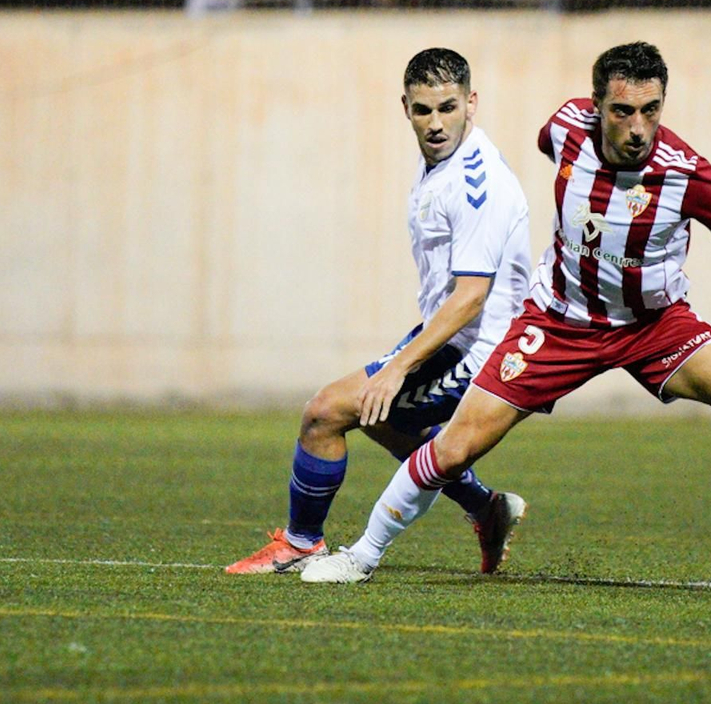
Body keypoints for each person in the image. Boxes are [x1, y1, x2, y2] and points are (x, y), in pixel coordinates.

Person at [300, 41, 711, 591]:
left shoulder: (688, 177)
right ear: (596, 105)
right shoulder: (563, 131)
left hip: (656, 327)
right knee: (455, 445)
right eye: (622, 110)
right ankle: (360, 557)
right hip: (557, 325)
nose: (637, 127)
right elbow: (554, 148)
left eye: (651, 111)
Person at [227, 48, 534, 576]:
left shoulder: (478, 185)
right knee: (376, 414)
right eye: (423, 110)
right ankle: (486, 508)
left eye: (448, 107)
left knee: (325, 413)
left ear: (472, 103)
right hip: (456, 333)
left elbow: (471, 297)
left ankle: (302, 542)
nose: (436, 123)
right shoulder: (441, 160)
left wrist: (397, 368)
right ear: (405, 108)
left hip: (484, 347)